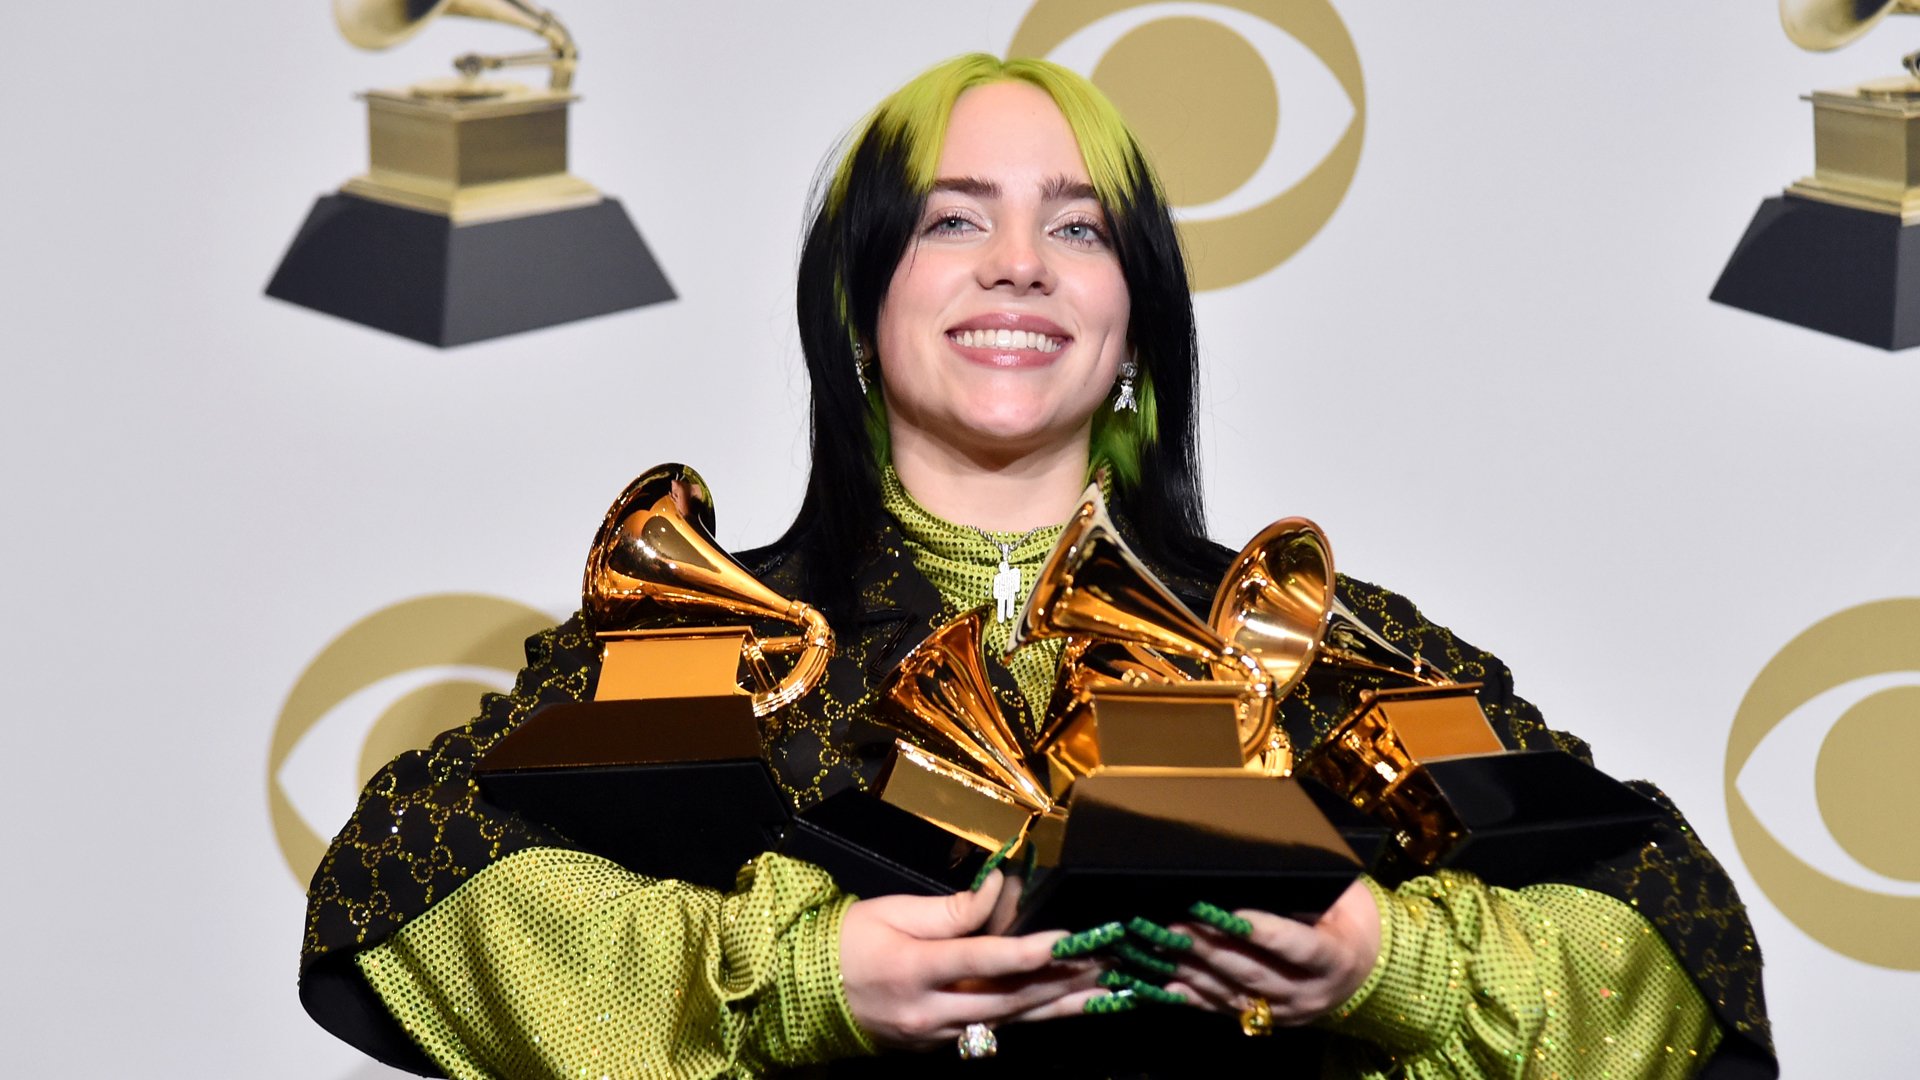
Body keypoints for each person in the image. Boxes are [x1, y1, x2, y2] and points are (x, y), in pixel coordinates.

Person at [300, 54, 1775, 1078]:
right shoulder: (697, 634)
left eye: (1079, 227)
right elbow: (410, 892)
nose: (1021, 263)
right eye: (954, 221)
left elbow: (1664, 927)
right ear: (860, 310)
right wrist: (803, 983)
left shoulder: (1335, 648)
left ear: (1136, 333)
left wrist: (1389, 967)